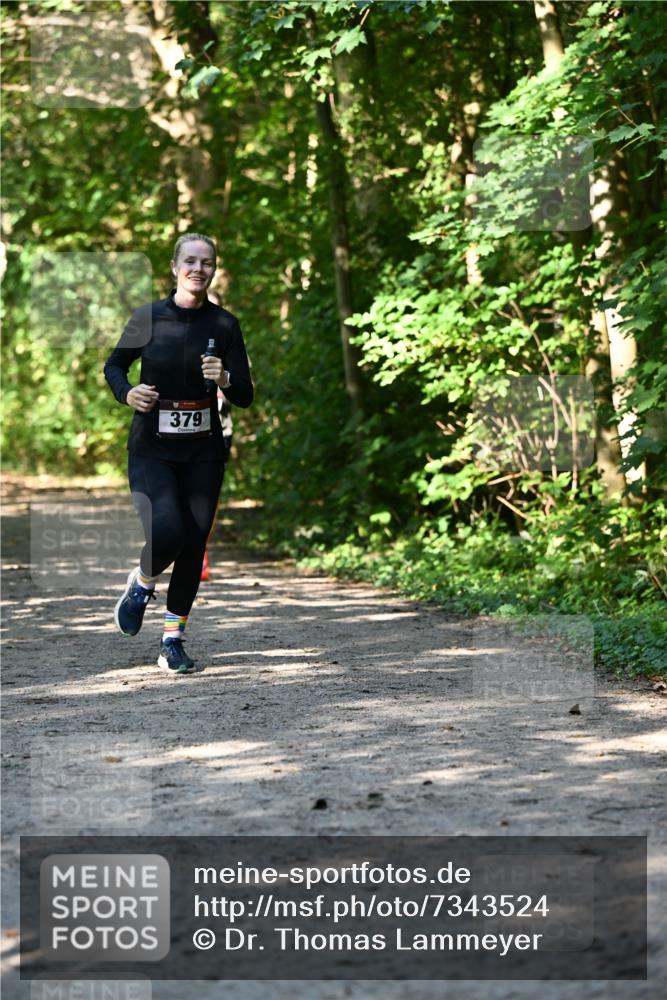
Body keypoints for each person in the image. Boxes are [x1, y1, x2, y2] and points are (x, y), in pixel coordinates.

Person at [104, 233, 253, 674]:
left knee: (193, 545)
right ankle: (142, 583)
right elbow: (114, 365)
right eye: (190, 261)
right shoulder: (147, 317)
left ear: (214, 269)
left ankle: (172, 639)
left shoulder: (225, 326)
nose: (198, 269)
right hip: (152, 449)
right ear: (174, 267)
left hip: (204, 453)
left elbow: (244, 394)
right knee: (168, 533)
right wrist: (127, 393)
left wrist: (224, 376)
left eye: (207, 262)